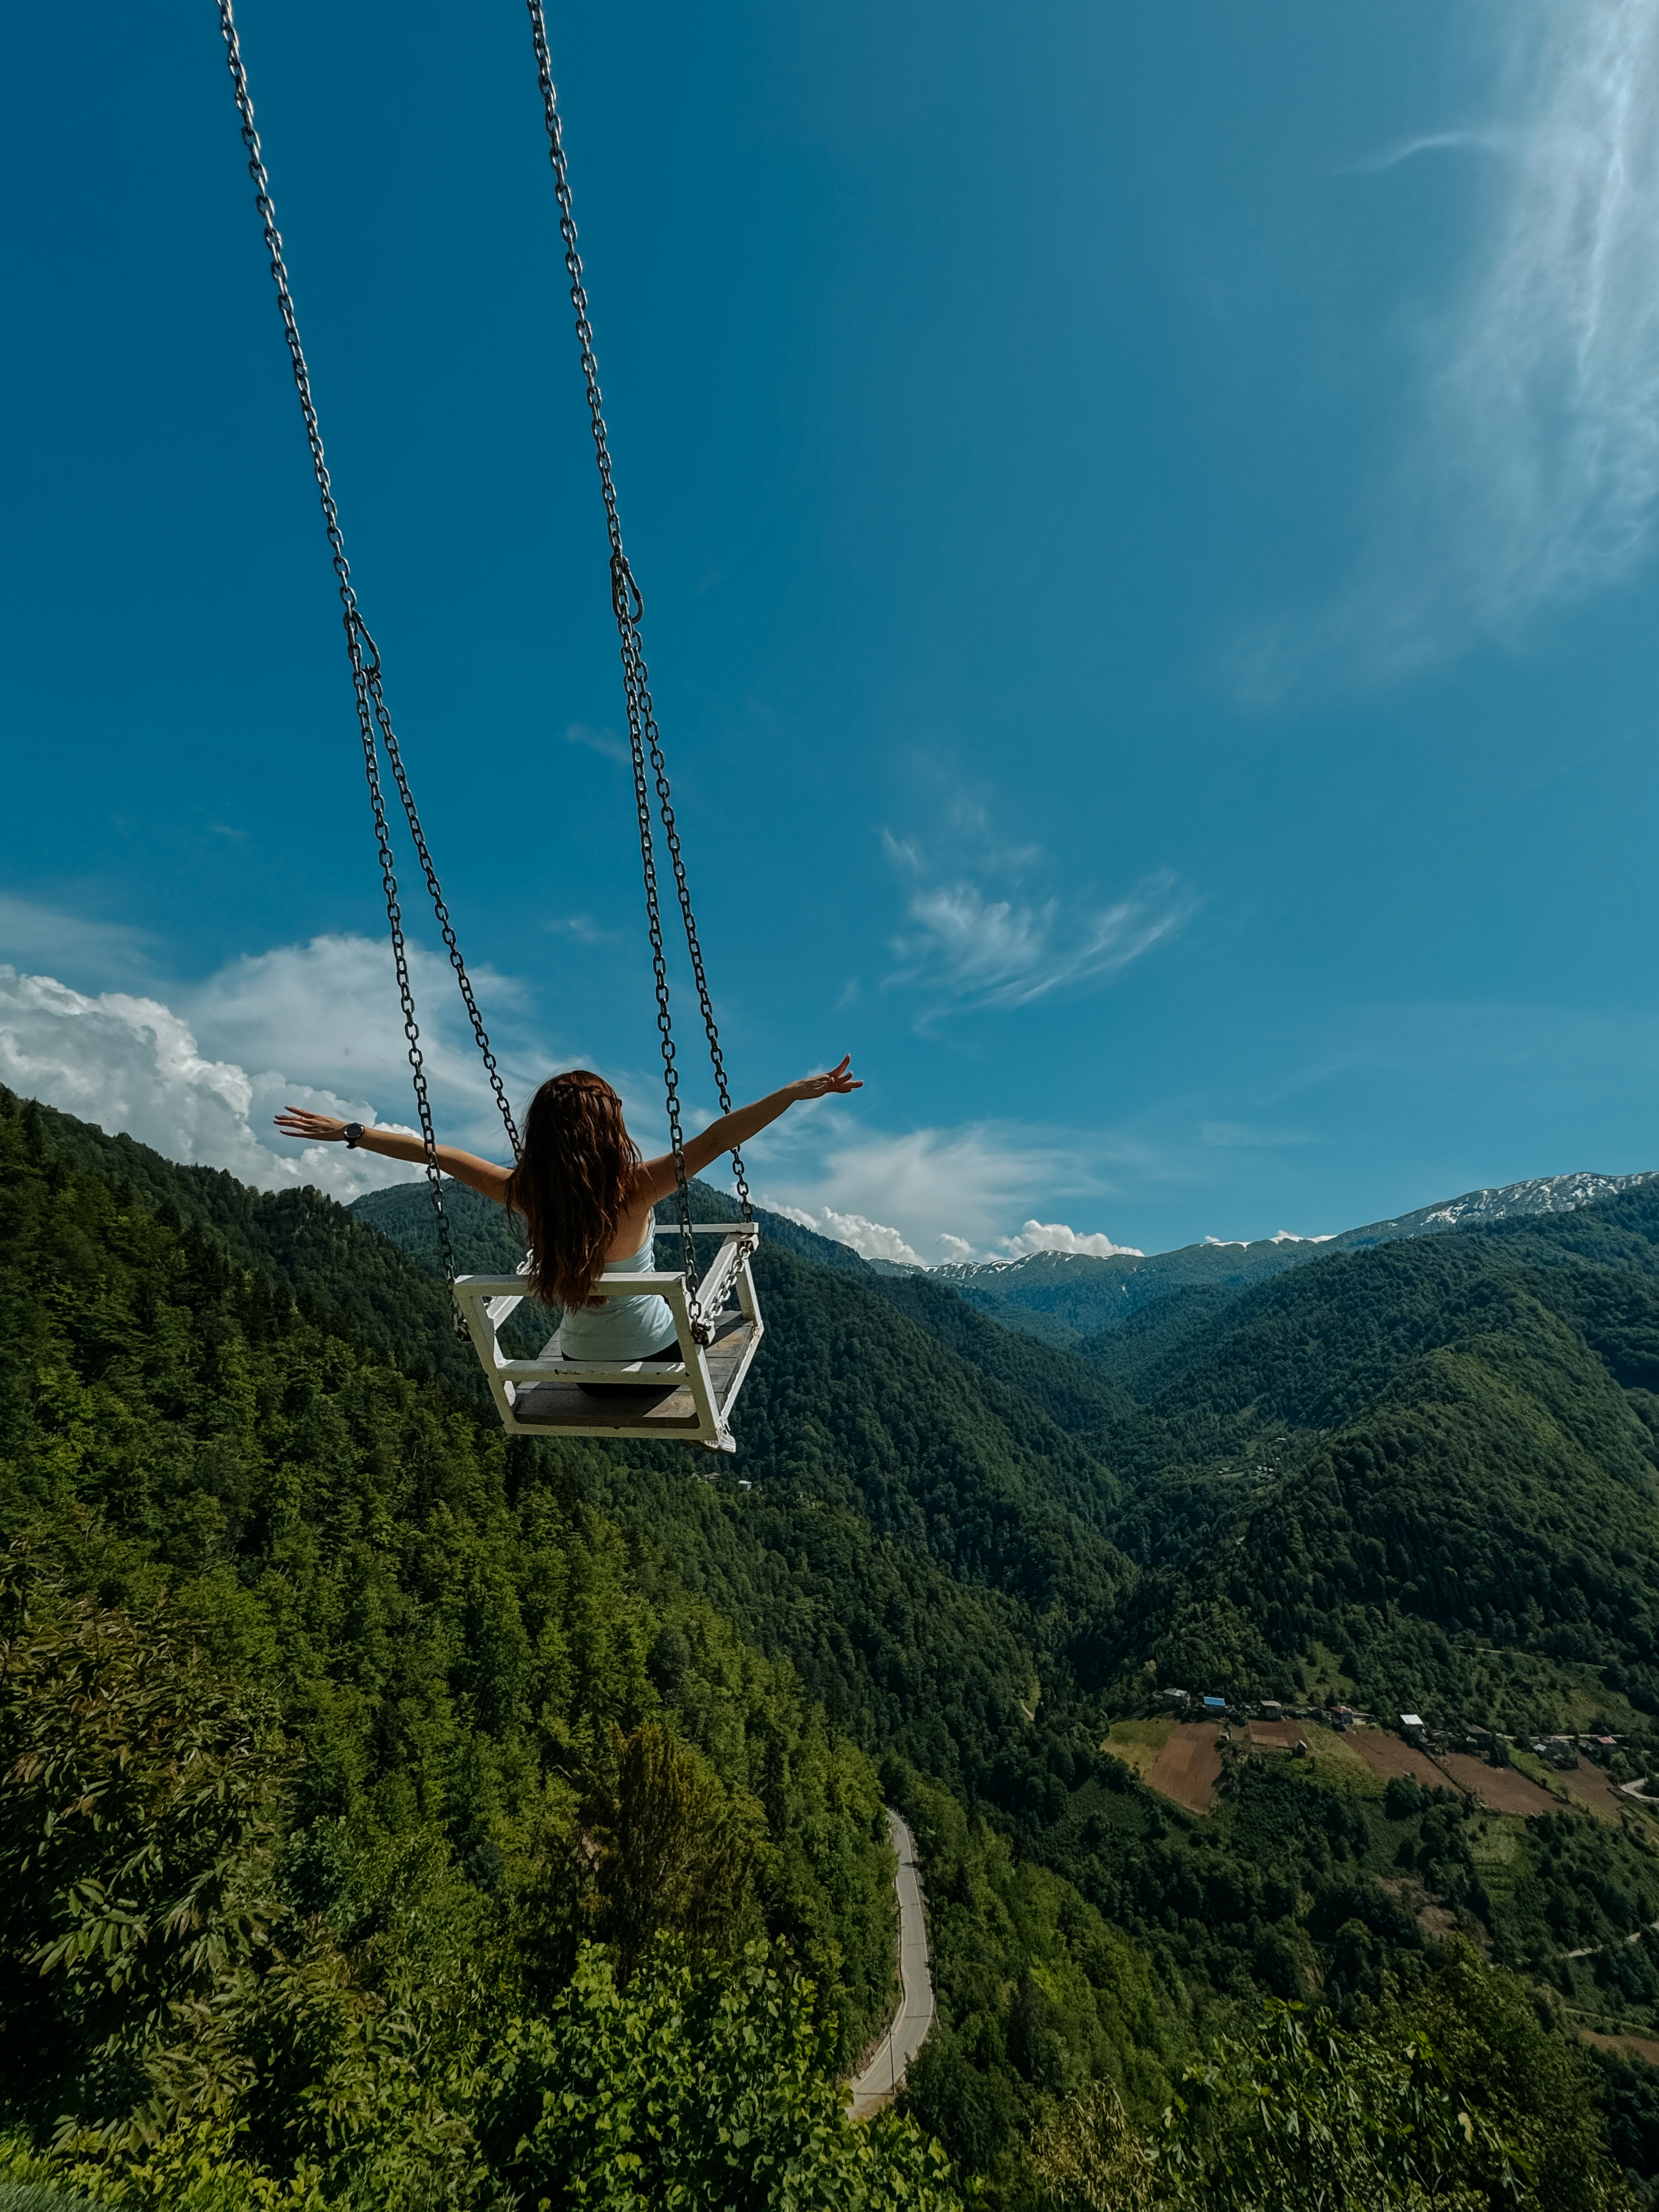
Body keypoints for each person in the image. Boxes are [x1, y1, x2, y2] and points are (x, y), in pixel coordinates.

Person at [273, 1058, 861, 1393]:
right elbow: (716, 1138)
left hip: (584, 1376)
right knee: (730, 1319)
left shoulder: (524, 1192)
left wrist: (353, 1132)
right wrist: (792, 1092)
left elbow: (437, 1153)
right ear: (609, 1130)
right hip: (656, 1368)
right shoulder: (637, 1186)